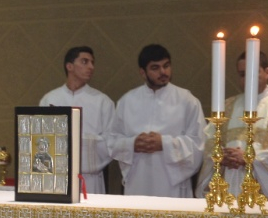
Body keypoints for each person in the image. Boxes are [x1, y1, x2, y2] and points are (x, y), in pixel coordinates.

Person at [195, 51, 268, 198]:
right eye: (242, 74)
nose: (247, 79)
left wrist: (250, 159)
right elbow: (208, 143)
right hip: (230, 189)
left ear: (267, 72)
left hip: (266, 196)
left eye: (253, 72)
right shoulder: (226, 107)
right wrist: (220, 157)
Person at [108, 44, 205, 197]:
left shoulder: (188, 101)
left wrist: (164, 144)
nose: (163, 72)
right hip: (137, 183)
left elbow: (199, 144)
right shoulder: (127, 101)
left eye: (166, 66)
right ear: (142, 72)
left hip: (172, 185)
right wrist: (133, 144)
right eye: (155, 68)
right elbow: (112, 141)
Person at [39, 46, 115, 193]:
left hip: (90, 180)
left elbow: (111, 143)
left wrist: (70, 141)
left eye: (93, 63)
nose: (91, 67)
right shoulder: (50, 99)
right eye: (85, 62)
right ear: (69, 66)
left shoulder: (103, 102)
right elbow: (41, 140)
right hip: (57, 179)